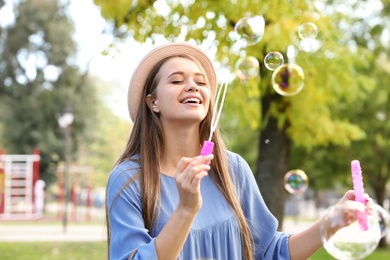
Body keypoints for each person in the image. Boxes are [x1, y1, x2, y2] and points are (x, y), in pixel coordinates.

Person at [105, 42, 368, 260]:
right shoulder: (129, 180)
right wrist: (185, 209)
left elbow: (270, 252)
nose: (193, 86)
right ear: (153, 102)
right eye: (176, 81)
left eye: (201, 81)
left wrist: (332, 221)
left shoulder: (232, 169)